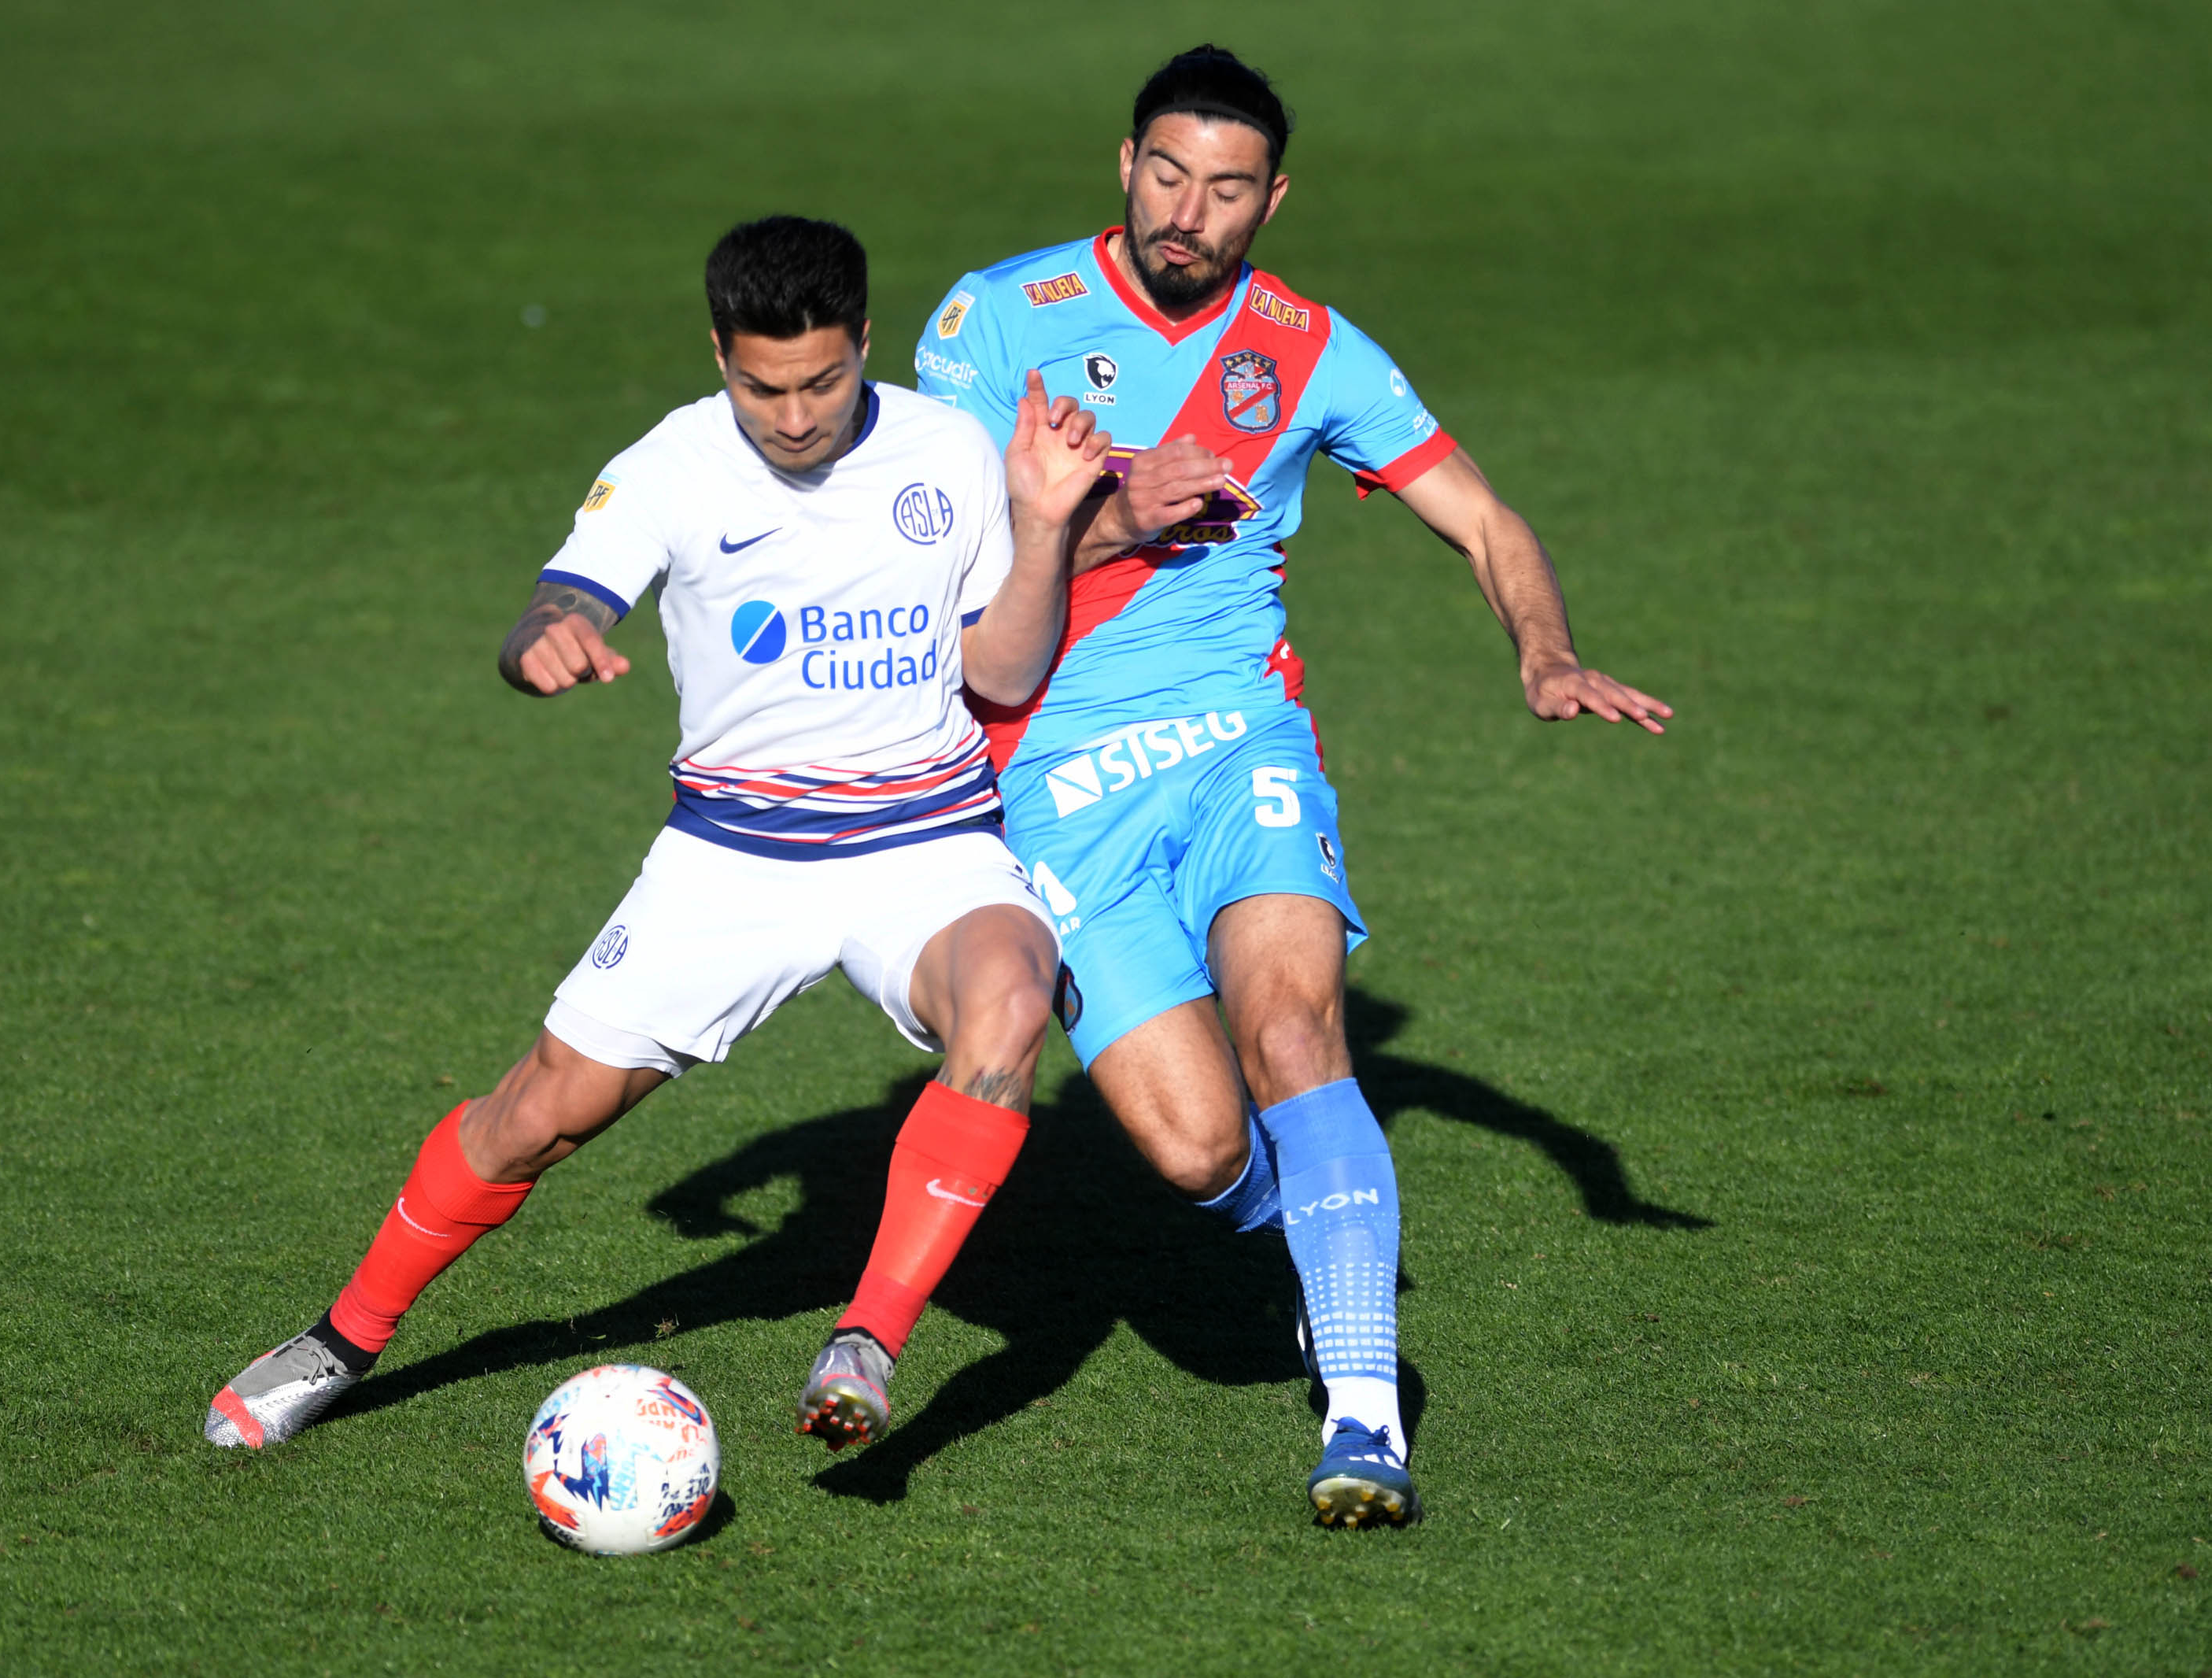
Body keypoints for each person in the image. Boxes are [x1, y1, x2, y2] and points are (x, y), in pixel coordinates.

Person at [206, 216, 1111, 1457]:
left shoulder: (949, 452)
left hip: (925, 840)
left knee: (1008, 1005)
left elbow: (1000, 679)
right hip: (730, 860)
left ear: (864, 344)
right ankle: (344, 1336)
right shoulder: (672, 464)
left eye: (820, 383)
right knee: (537, 1113)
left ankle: (868, 1338)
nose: (791, 417)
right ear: (716, 355)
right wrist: (543, 644)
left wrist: (1047, 525)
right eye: (758, 386)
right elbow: (565, 596)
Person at [915, 46, 1673, 1527]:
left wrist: (1545, 648)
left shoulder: (1310, 348)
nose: (1186, 214)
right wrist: (1116, 516)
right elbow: (937, 577)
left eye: (1226, 187)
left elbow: (1483, 513)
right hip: (1052, 789)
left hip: (1235, 748)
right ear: (1121, 163)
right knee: (1199, 1148)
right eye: (1165, 174)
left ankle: (1365, 1409)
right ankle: (1313, 1229)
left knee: (1292, 1031)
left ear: (1274, 198)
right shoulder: (997, 319)